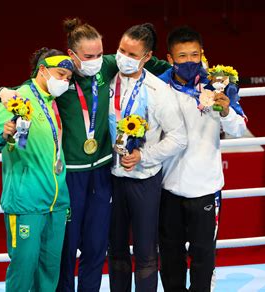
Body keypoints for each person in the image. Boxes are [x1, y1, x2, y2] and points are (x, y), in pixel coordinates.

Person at [0, 18, 170, 292]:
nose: (97, 60)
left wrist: (189, 72)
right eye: (89, 56)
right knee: (66, 250)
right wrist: (2, 92)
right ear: (71, 56)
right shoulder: (60, 80)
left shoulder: (108, 65)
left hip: (102, 173)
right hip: (70, 177)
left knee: (95, 247)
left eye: (100, 54)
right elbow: (29, 90)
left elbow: (152, 63)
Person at [0, 48, 74, 292]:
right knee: (24, 269)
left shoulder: (55, 102)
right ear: (43, 70)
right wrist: (3, 133)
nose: (64, 81)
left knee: (50, 270)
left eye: (68, 78)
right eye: (60, 74)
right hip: (26, 202)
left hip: (57, 202)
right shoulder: (20, 98)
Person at [158, 26, 247, 292]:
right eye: (182, 56)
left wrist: (226, 110)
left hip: (206, 188)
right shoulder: (158, 85)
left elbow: (239, 129)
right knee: (171, 257)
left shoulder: (219, 83)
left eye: (194, 55)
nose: (189, 61)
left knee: (204, 258)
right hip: (168, 187)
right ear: (170, 58)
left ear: (202, 54)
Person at [107, 23, 187, 292]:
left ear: (147, 57)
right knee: (115, 251)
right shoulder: (106, 82)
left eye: (131, 54)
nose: (123, 58)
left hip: (144, 181)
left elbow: (179, 137)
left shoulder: (158, 91)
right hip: (111, 180)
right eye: (120, 50)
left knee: (145, 254)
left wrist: (144, 156)